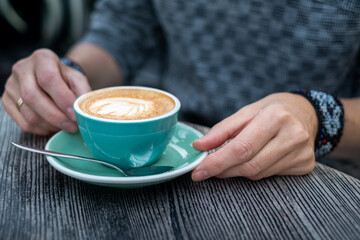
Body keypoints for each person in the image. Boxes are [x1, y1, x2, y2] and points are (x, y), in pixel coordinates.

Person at [2, 0, 360, 182]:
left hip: (317, 172)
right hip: (170, 150)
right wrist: (63, 78)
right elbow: (122, 29)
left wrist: (318, 117)